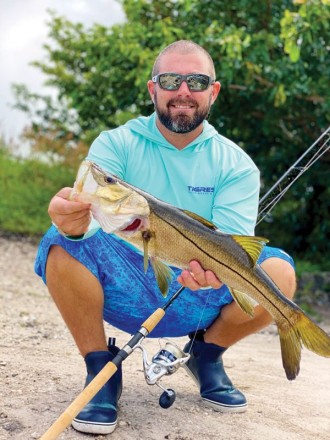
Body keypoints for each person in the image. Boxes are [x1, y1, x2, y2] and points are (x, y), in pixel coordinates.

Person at [35, 40, 296, 435]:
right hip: (127, 284)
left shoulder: (237, 164)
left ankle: (206, 356)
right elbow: (91, 220)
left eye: (197, 81)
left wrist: (214, 271)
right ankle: (100, 369)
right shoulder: (116, 143)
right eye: (171, 80)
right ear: (153, 88)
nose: (184, 91)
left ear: (214, 91)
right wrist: (72, 223)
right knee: (59, 242)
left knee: (280, 271)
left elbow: (235, 246)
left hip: (200, 290)